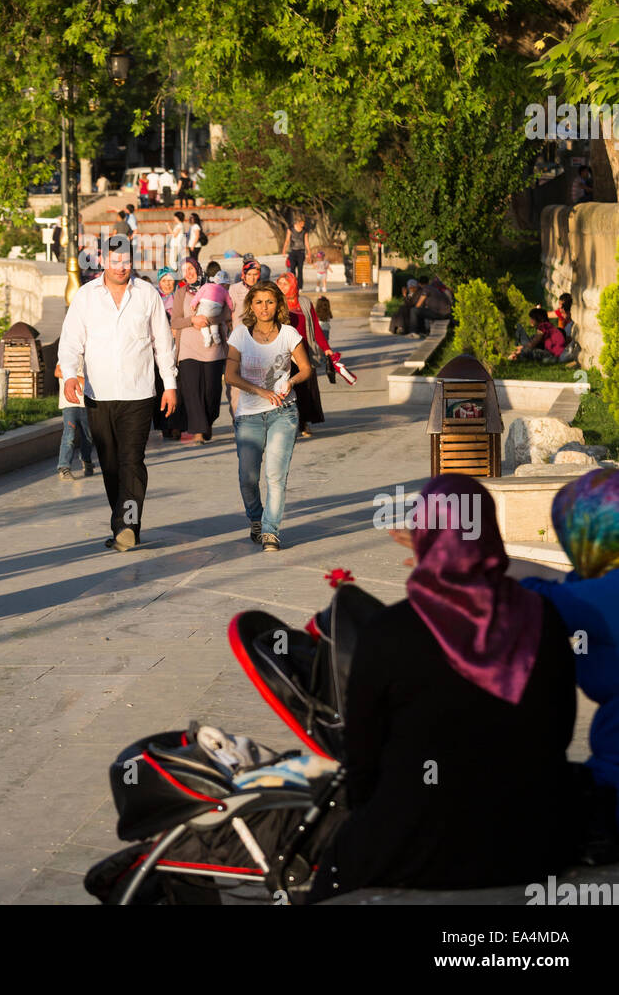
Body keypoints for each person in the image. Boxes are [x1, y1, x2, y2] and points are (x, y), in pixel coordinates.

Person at [309, 475, 578, 900]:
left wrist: (369, 817)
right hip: (531, 841)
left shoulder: (388, 631)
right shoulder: (542, 617)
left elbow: (362, 754)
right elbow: (559, 729)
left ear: (424, 534)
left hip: (416, 842)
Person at [58, 235, 177, 551]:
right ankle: (121, 522)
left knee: (132, 462)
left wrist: (170, 385)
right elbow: (70, 342)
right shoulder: (86, 296)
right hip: (98, 395)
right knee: (110, 465)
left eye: (126, 261)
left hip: (139, 394)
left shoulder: (147, 294)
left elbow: (163, 343)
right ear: (102, 261)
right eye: (114, 261)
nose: (121, 267)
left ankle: (128, 526)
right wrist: (69, 375)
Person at [515, 469, 619, 829]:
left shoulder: (604, 597)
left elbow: (528, 597)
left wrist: (453, 562)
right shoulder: (602, 590)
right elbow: (555, 580)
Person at [224, 280, 312, 552]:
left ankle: (271, 531)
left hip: (283, 413)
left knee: (275, 476)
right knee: (247, 478)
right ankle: (257, 519)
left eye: (270, 302)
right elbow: (230, 375)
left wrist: (292, 381)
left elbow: (306, 369)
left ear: (278, 305)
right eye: (259, 302)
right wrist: (260, 391)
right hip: (249, 415)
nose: (264, 308)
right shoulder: (240, 335)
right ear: (251, 305)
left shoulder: (289, 334)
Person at [170, 257, 232, 443]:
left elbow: (226, 313)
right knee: (192, 392)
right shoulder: (181, 292)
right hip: (188, 349)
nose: (188, 273)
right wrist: (192, 320)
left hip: (212, 348)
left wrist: (207, 320)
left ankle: (207, 422)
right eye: (184, 270)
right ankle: (198, 431)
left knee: (212, 392)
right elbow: (175, 321)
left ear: (198, 269)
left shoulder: (214, 288)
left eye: (191, 268)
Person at [276, 272, 336, 438]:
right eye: (279, 283)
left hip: (304, 353)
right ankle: (287, 424)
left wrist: (326, 348)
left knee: (306, 390)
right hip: (284, 354)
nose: (281, 287)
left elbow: (315, 327)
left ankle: (304, 423)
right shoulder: (275, 303)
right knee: (286, 389)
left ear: (293, 284)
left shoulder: (304, 302)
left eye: (285, 283)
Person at [153, 267, 185, 441]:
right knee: (160, 387)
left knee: (176, 386)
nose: (167, 284)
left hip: (178, 346)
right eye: (164, 281)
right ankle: (164, 424)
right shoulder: (154, 299)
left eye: (170, 281)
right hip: (157, 349)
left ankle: (176, 425)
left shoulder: (179, 297)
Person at [53, 361, 95, 481]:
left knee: (88, 436)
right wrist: (78, 379)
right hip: (70, 403)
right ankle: (64, 467)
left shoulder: (88, 356)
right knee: (69, 436)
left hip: (86, 402)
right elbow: (58, 371)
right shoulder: (68, 354)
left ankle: (86, 460)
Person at [192, 270, 231, 348]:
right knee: (214, 321)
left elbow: (198, 295)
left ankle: (207, 337)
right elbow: (229, 301)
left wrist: (193, 303)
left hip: (205, 305)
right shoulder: (224, 291)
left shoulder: (206, 285)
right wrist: (230, 309)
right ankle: (215, 335)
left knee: (202, 320)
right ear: (225, 284)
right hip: (217, 307)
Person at [282, 215, 309, 289]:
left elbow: (306, 242)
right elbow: (287, 240)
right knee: (292, 269)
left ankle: (300, 287)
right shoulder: (291, 229)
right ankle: (293, 286)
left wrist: (309, 252)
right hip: (292, 251)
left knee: (300, 270)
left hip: (301, 252)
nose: (303, 224)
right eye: (302, 223)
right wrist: (284, 249)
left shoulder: (305, 230)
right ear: (298, 222)